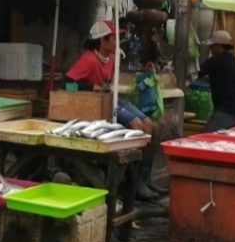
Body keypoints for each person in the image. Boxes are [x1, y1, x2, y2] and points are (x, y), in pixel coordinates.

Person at [65, 20, 163, 201]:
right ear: (103, 41)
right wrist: (90, 88)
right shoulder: (89, 59)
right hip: (98, 105)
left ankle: (144, 179)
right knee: (137, 126)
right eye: (114, 38)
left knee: (149, 125)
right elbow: (67, 84)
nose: (117, 42)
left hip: (113, 99)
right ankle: (131, 182)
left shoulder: (111, 59)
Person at [197, 30, 235, 132]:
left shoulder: (217, 60)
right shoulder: (233, 60)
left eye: (212, 46)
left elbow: (197, 72)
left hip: (227, 110)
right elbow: (223, 78)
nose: (210, 48)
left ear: (219, 46)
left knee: (207, 136)